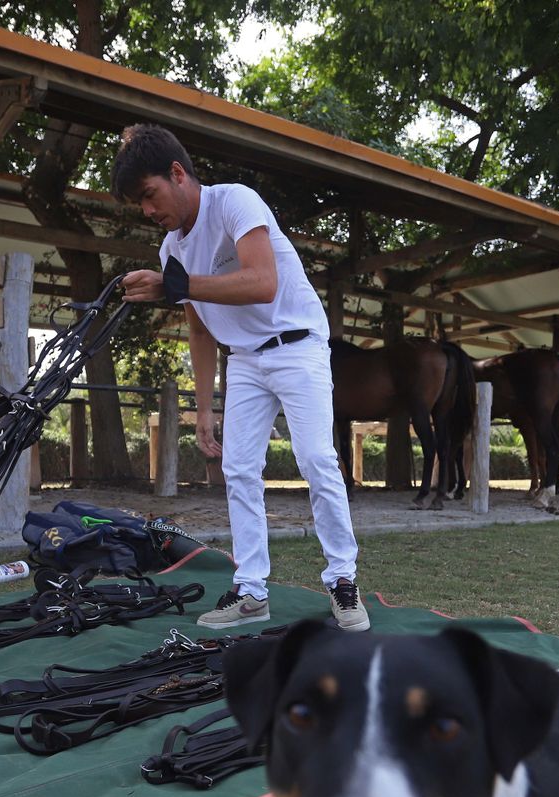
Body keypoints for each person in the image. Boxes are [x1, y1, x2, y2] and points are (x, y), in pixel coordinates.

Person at [111, 123, 368, 632]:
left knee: (317, 458)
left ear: (177, 173)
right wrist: (205, 407)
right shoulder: (171, 252)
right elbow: (200, 332)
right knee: (239, 469)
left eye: (149, 195)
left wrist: (175, 285)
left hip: (299, 345)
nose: (147, 211)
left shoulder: (235, 202)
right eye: (139, 203)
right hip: (245, 360)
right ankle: (251, 590)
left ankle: (342, 579)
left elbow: (263, 282)